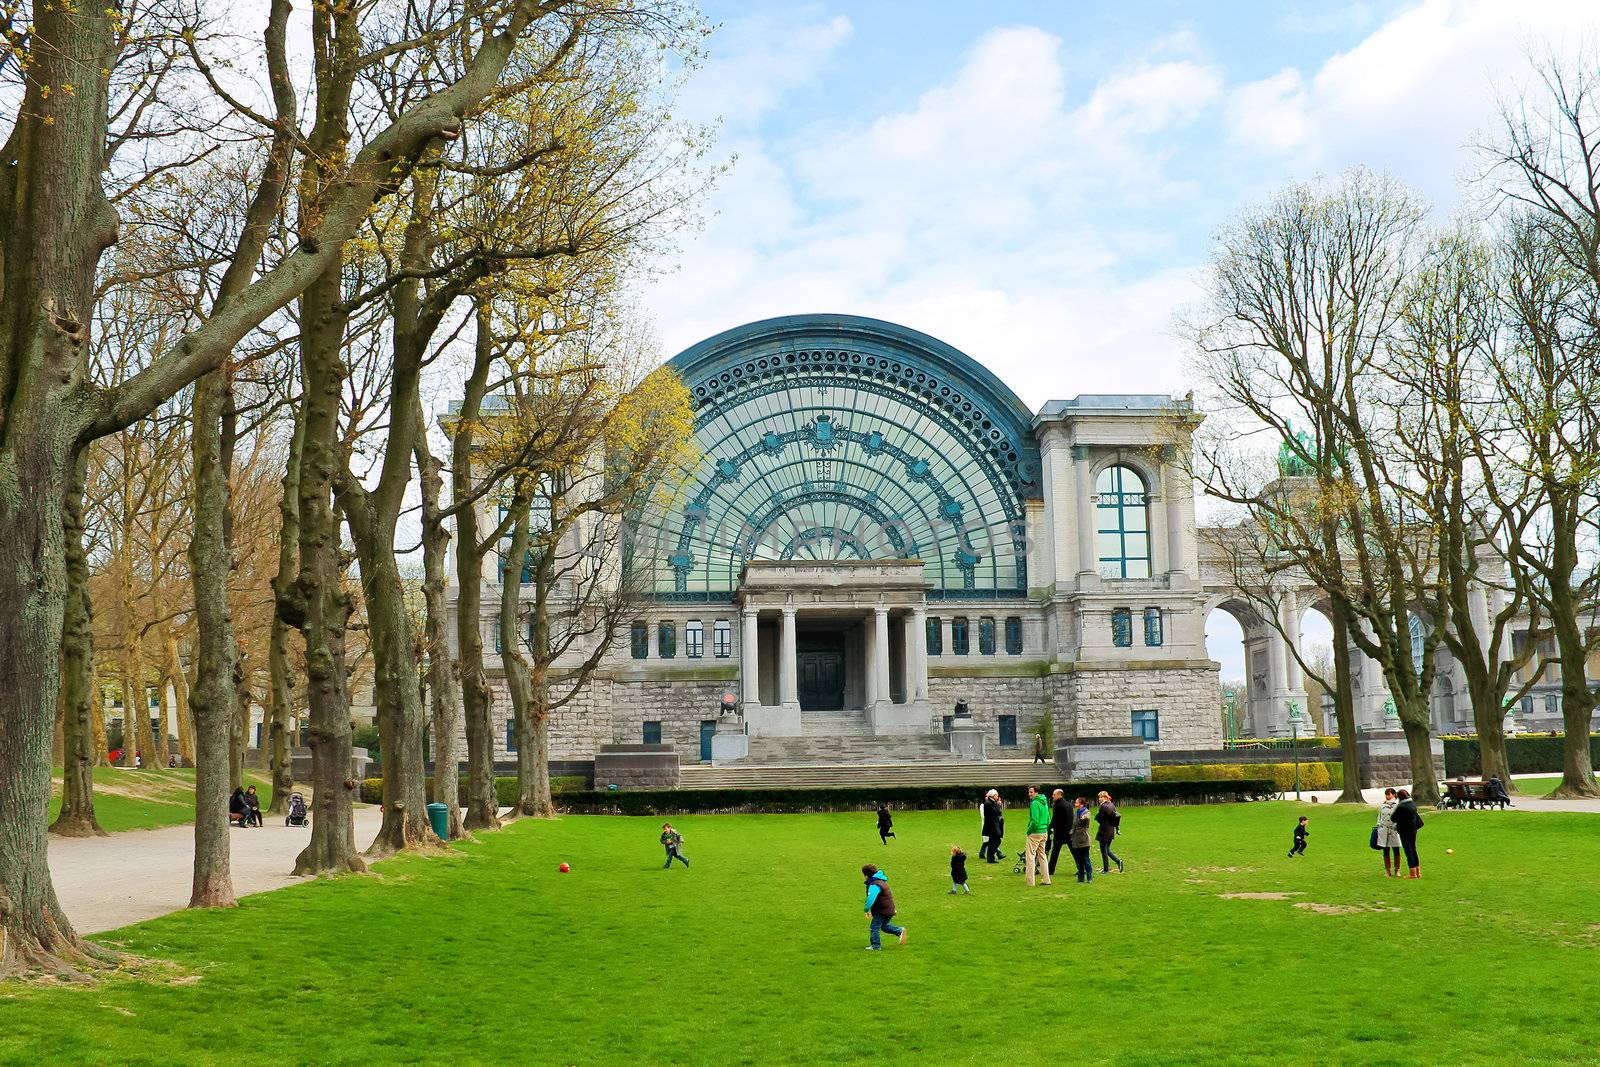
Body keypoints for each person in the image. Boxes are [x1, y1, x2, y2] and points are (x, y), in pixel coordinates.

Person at [861, 865, 906, 950]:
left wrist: (866, 909)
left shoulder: (874, 885)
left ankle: (875, 946)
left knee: (874, 927)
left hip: (882, 910)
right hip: (889, 909)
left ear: (866, 876)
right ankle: (900, 931)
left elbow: (871, 899)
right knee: (884, 926)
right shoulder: (881, 881)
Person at [1391, 789, 1424, 879]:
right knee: (1413, 849)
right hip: (1413, 829)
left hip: (1404, 830)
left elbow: (1393, 818)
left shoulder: (1401, 806)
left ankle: (1412, 872)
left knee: (1408, 850)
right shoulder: (1412, 804)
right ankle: (1418, 872)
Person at [1024, 785, 1052, 887]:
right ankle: (1046, 879)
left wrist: (1028, 831)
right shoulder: (1044, 802)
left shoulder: (1035, 803)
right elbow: (1049, 818)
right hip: (1044, 831)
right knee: (1042, 855)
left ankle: (1030, 882)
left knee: (1030, 856)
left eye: (1031, 792)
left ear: (1036, 792)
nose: (1029, 794)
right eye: (1029, 792)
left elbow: (1034, 820)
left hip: (1035, 832)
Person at [1095, 790, 1124, 874]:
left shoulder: (1103, 807)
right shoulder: (1111, 805)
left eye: (1101, 797)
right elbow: (1116, 816)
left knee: (1103, 850)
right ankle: (1115, 863)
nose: (1099, 799)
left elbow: (1099, 819)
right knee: (1107, 849)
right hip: (1111, 830)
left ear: (1105, 797)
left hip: (1104, 830)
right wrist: (1117, 828)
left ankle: (1106, 869)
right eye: (1099, 797)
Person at [1375, 788, 1403, 876]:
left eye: (1389, 794)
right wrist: (1379, 825)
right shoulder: (1382, 805)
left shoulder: (1398, 805)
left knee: (1396, 850)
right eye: (1386, 794)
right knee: (1386, 851)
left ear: (1394, 795)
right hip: (1384, 830)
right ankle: (1387, 870)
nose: (1387, 796)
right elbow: (1379, 817)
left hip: (1394, 830)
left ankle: (1397, 869)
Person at [1068, 797, 1094, 883]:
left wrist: (1083, 817)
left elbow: (1087, 816)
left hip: (1084, 839)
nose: (1075, 804)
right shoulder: (1076, 813)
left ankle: (1090, 877)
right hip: (1076, 838)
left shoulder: (1086, 812)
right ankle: (1081, 877)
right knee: (1079, 860)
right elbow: (1073, 825)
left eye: (1076, 803)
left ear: (1081, 804)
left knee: (1086, 859)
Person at [1047, 788, 1071, 875]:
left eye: (1054, 795)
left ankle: (1050, 870)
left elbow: (1055, 819)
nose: (1052, 796)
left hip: (1060, 832)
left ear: (1059, 795)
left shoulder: (1057, 805)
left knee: (1055, 852)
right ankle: (1081, 868)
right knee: (1074, 851)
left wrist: (1049, 828)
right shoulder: (1068, 804)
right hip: (1069, 832)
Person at [980, 789, 1005, 863]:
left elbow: (999, 813)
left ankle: (991, 857)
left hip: (995, 825)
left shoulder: (992, 803)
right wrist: (998, 805)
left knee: (993, 841)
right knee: (996, 840)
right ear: (993, 796)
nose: (997, 796)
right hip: (992, 826)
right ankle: (990, 857)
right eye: (996, 795)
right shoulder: (988, 803)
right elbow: (996, 812)